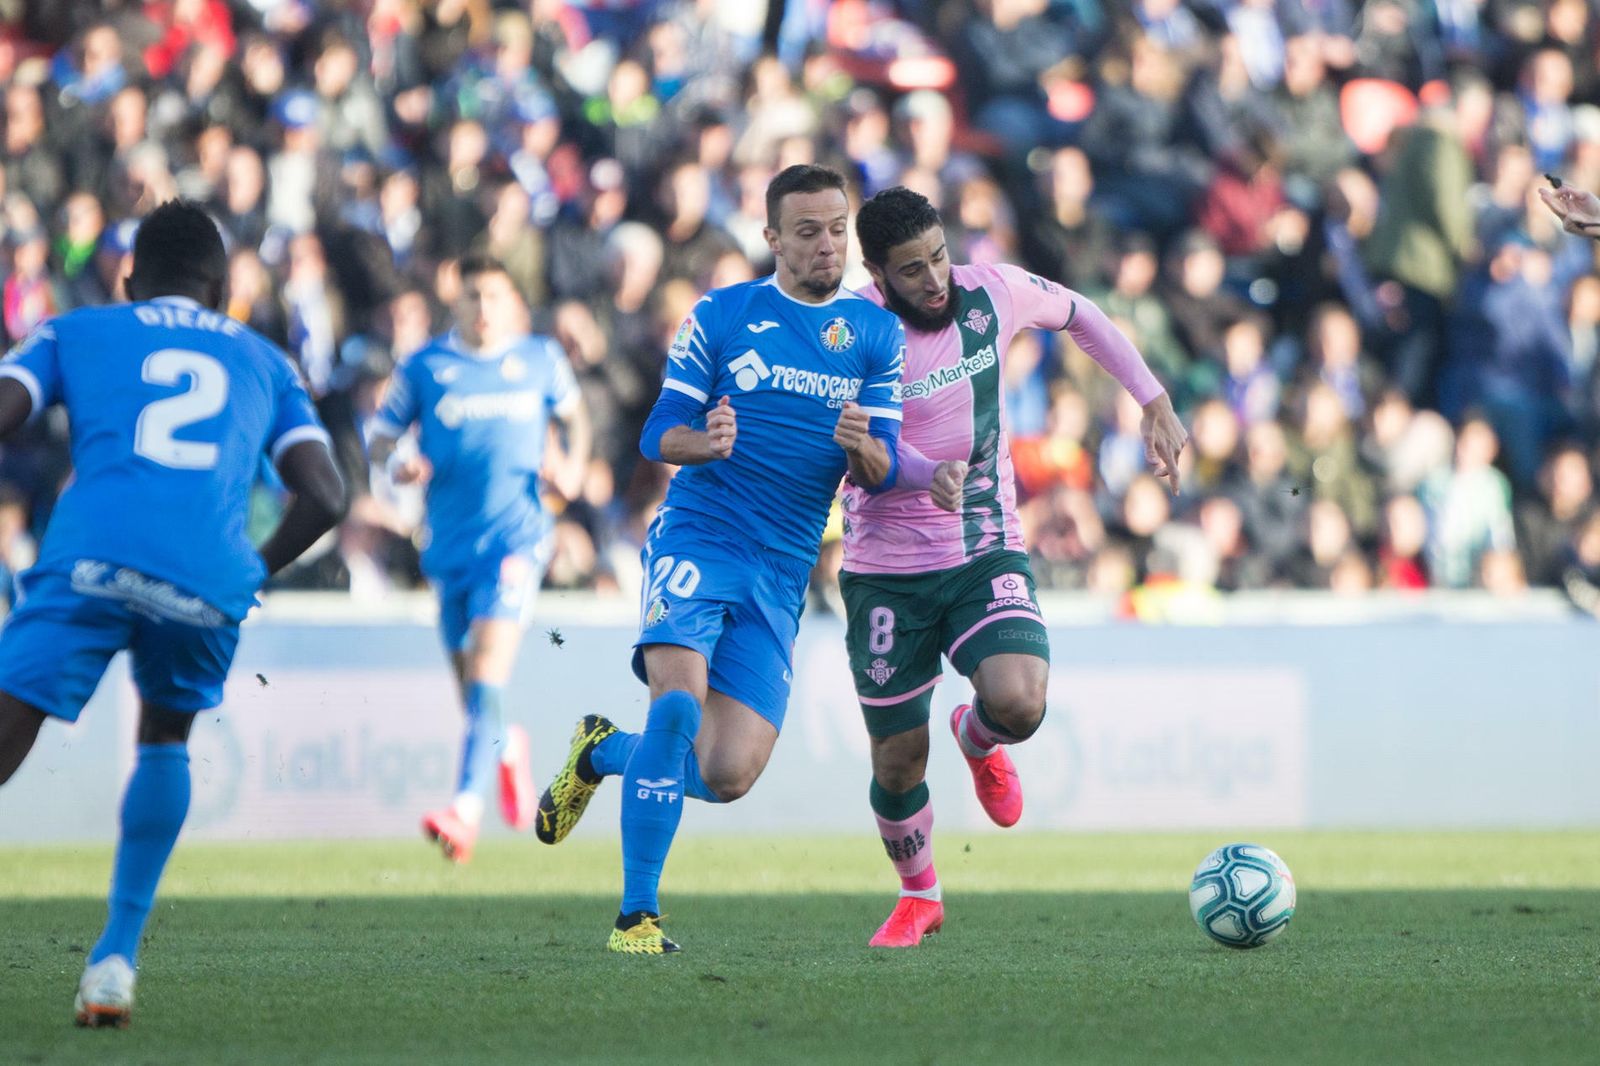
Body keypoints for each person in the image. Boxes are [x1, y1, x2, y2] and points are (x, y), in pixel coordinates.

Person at [534, 164, 907, 954]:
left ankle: (600, 754)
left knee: (728, 772)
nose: (826, 244)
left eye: (837, 228)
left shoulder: (876, 334)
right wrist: (702, 443)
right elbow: (655, 431)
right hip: (700, 536)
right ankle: (636, 917)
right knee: (675, 706)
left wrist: (865, 451)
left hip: (782, 570)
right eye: (806, 231)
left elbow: (887, 466)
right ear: (771, 239)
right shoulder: (723, 314)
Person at [0, 200, 347, 1027]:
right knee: (164, 737)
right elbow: (328, 494)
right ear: (224, 288)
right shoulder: (266, 359)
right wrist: (247, 574)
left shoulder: (71, 330)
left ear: (129, 279)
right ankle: (113, 960)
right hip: (204, 580)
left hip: (88, 558)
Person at [842, 186, 1187, 946]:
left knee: (1021, 701)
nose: (935, 280)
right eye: (911, 271)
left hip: (983, 543)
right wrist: (914, 469)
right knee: (899, 759)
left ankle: (979, 737)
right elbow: (858, 458)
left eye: (938, 258)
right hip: (884, 568)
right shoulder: (853, 334)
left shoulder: (992, 292)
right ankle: (920, 895)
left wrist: (1151, 397)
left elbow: (1084, 316)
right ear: (876, 272)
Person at [366, 254, 591, 864]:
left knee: (489, 668)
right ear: (455, 304)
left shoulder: (540, 359)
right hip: (449, 546)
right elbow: (380, 433)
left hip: (517, 540)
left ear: (511, 302)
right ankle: (507, 745)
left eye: (493, 296)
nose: (483, 308)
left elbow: (576, 417)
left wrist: (571, 465)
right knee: (473, 691)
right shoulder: (426, 367)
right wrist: (397, 463)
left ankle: (465, 809)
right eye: (472, 297)